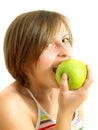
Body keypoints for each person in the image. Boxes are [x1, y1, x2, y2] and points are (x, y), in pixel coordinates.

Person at [0, 10, 92, 130]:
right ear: (23, 61)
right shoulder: (9, 105)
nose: (65, 51)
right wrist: (65, 112)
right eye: (48, 44)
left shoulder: (68, 91)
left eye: (65, 40)